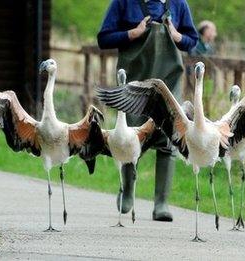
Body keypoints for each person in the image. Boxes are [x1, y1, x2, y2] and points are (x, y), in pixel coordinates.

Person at [97, 0, 198, 222]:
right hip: (134, 84)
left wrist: (178, 36)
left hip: (169, 84)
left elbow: (193, 41)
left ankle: (161, 204)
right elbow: (103, 38)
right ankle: (127, 194)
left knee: (168, 139)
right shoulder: (124, 2)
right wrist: (132, 34)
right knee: (130, 138)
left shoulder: (179, 4)